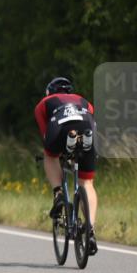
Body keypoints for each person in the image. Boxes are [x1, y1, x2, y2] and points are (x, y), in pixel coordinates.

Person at [34, 76, 98, 255]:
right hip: (87, 125)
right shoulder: (85, 101)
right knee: (87, 184)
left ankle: (58, 193)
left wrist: (57, 151)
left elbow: (45, 134)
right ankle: (90, 229)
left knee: (50, 156)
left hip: (60, 126)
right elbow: (92, 116)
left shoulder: (44, 103)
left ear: (49, 92)